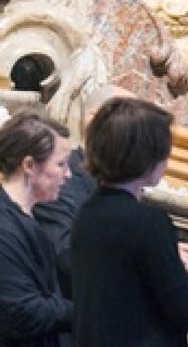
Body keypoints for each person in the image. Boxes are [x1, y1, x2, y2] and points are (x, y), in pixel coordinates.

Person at [71, 98, 188, 347]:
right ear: (147, 156)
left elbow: (125, 283)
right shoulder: (148, 221)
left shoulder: (87, 214)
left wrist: (183, 271)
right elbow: (185, 311)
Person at [0, 112, 74, 347]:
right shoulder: (3, 224)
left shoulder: (29, 220)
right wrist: (81, 309)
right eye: (61, 164)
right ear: (29, 165)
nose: (68, 175)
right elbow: (20, 311)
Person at [32, 85, 133, 295]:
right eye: (129, 120)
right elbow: (68, 257)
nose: (140, 134)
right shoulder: (58, 182)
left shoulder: (119, 185)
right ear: (93, 119)